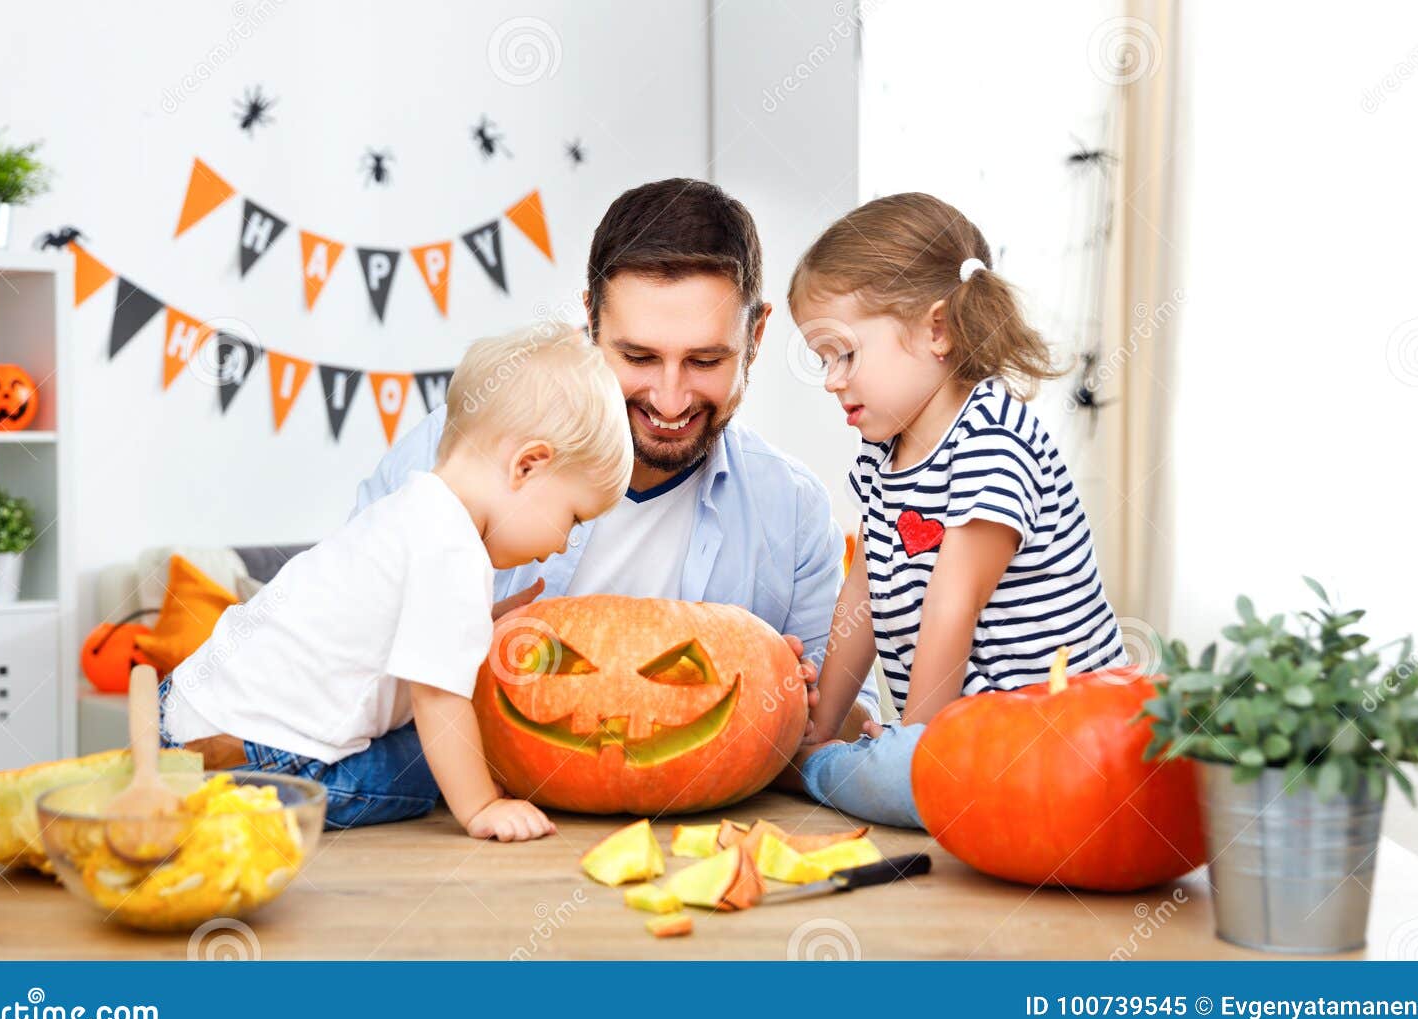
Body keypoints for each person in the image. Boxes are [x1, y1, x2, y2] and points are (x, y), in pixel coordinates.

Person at [354, 178, 881, 732]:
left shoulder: (792, 512)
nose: (670, 399)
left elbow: (845, 738)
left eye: (705, 361)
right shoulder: (460, 451)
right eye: (638, 357)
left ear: (756, 335)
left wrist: (800, 708)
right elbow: (340, 658)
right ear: (591, 322)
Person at [160, 323, 632, 839]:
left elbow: (400, 625)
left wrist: (481, 619)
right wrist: (479, 808)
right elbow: (437, 699)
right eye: (574, 517)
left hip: (185, 714)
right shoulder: (452, 550)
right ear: (527, 466)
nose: (565, 543)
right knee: (433, 762)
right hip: (255, 767)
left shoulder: (411, 509)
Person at [782, 193, 1125, 827]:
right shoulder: (882, 456)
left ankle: (824, 771)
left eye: (845, 354)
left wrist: (913, 751)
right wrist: (817, 724)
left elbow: (952, 604)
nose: (831, 379)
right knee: (839, 755)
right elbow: (862, 594)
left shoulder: (993, 441)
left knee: (892, 777)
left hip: (1061, 741)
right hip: (977, 744)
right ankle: (826, 760)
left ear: (937, 330)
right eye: (821, 360)